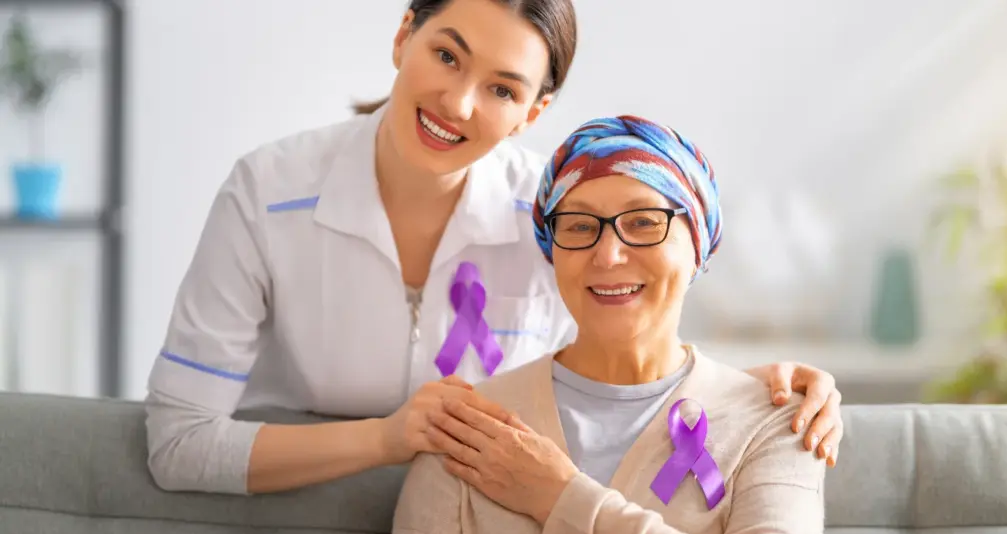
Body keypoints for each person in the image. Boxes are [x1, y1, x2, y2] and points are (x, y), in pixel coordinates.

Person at [144, 0, 843, 497]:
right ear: (402, 38)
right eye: (446, 55)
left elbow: (622, 375)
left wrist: (759, 392)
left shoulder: (558, 215)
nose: (459, 104)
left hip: (487, 523)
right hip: (291, 519)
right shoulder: (268, 192)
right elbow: (179, 444)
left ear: (533, 112)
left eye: (502, 89)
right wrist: (386, 439)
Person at [386, 116, 826, 534]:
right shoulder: (468, 429)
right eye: (578, 226)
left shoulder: (776, 421)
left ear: (698, 244)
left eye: (642, 222)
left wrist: (559, 498)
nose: (609, 254)